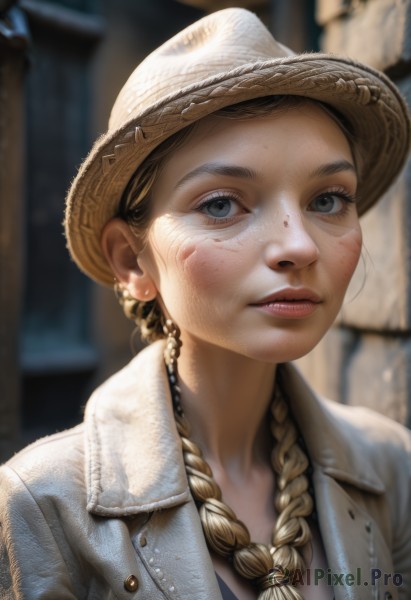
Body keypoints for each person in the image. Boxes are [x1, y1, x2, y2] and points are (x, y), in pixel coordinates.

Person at [1, 7, 411, 600]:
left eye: (328, 198)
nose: (298, 244)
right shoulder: (42, 507)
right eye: (221, 204)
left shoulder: (391, 467)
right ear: (132, 261)